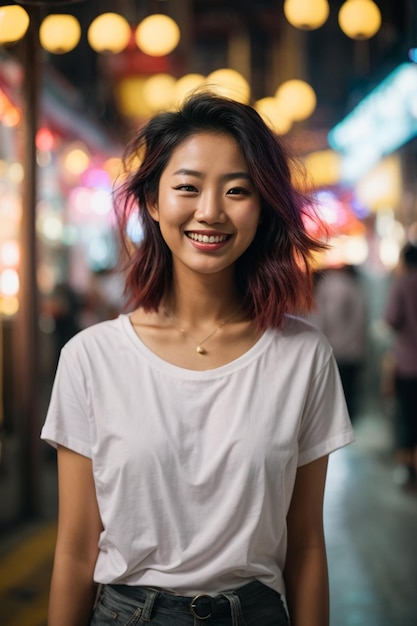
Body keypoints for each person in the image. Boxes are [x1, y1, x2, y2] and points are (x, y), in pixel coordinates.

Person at [41, 92, 355, 626]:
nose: (210, 211)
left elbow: (305, 546)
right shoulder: (90, 358)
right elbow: (75, 551)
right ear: (155, 201)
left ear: (264, 207)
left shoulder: (304, 357)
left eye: (238, 190)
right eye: (188, 187)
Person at [309, 264, 367, 422]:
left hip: (338, 349)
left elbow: (329, 319)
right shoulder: (352, 284)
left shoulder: (332, 286)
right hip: (353, 348)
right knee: (349, 391)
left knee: (339, 394)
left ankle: (342, 430)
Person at [384, 242, 417, 488]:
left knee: (407, 417)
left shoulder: (402, 284)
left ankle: (408, 470)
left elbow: (392, 319)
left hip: (408, 364)